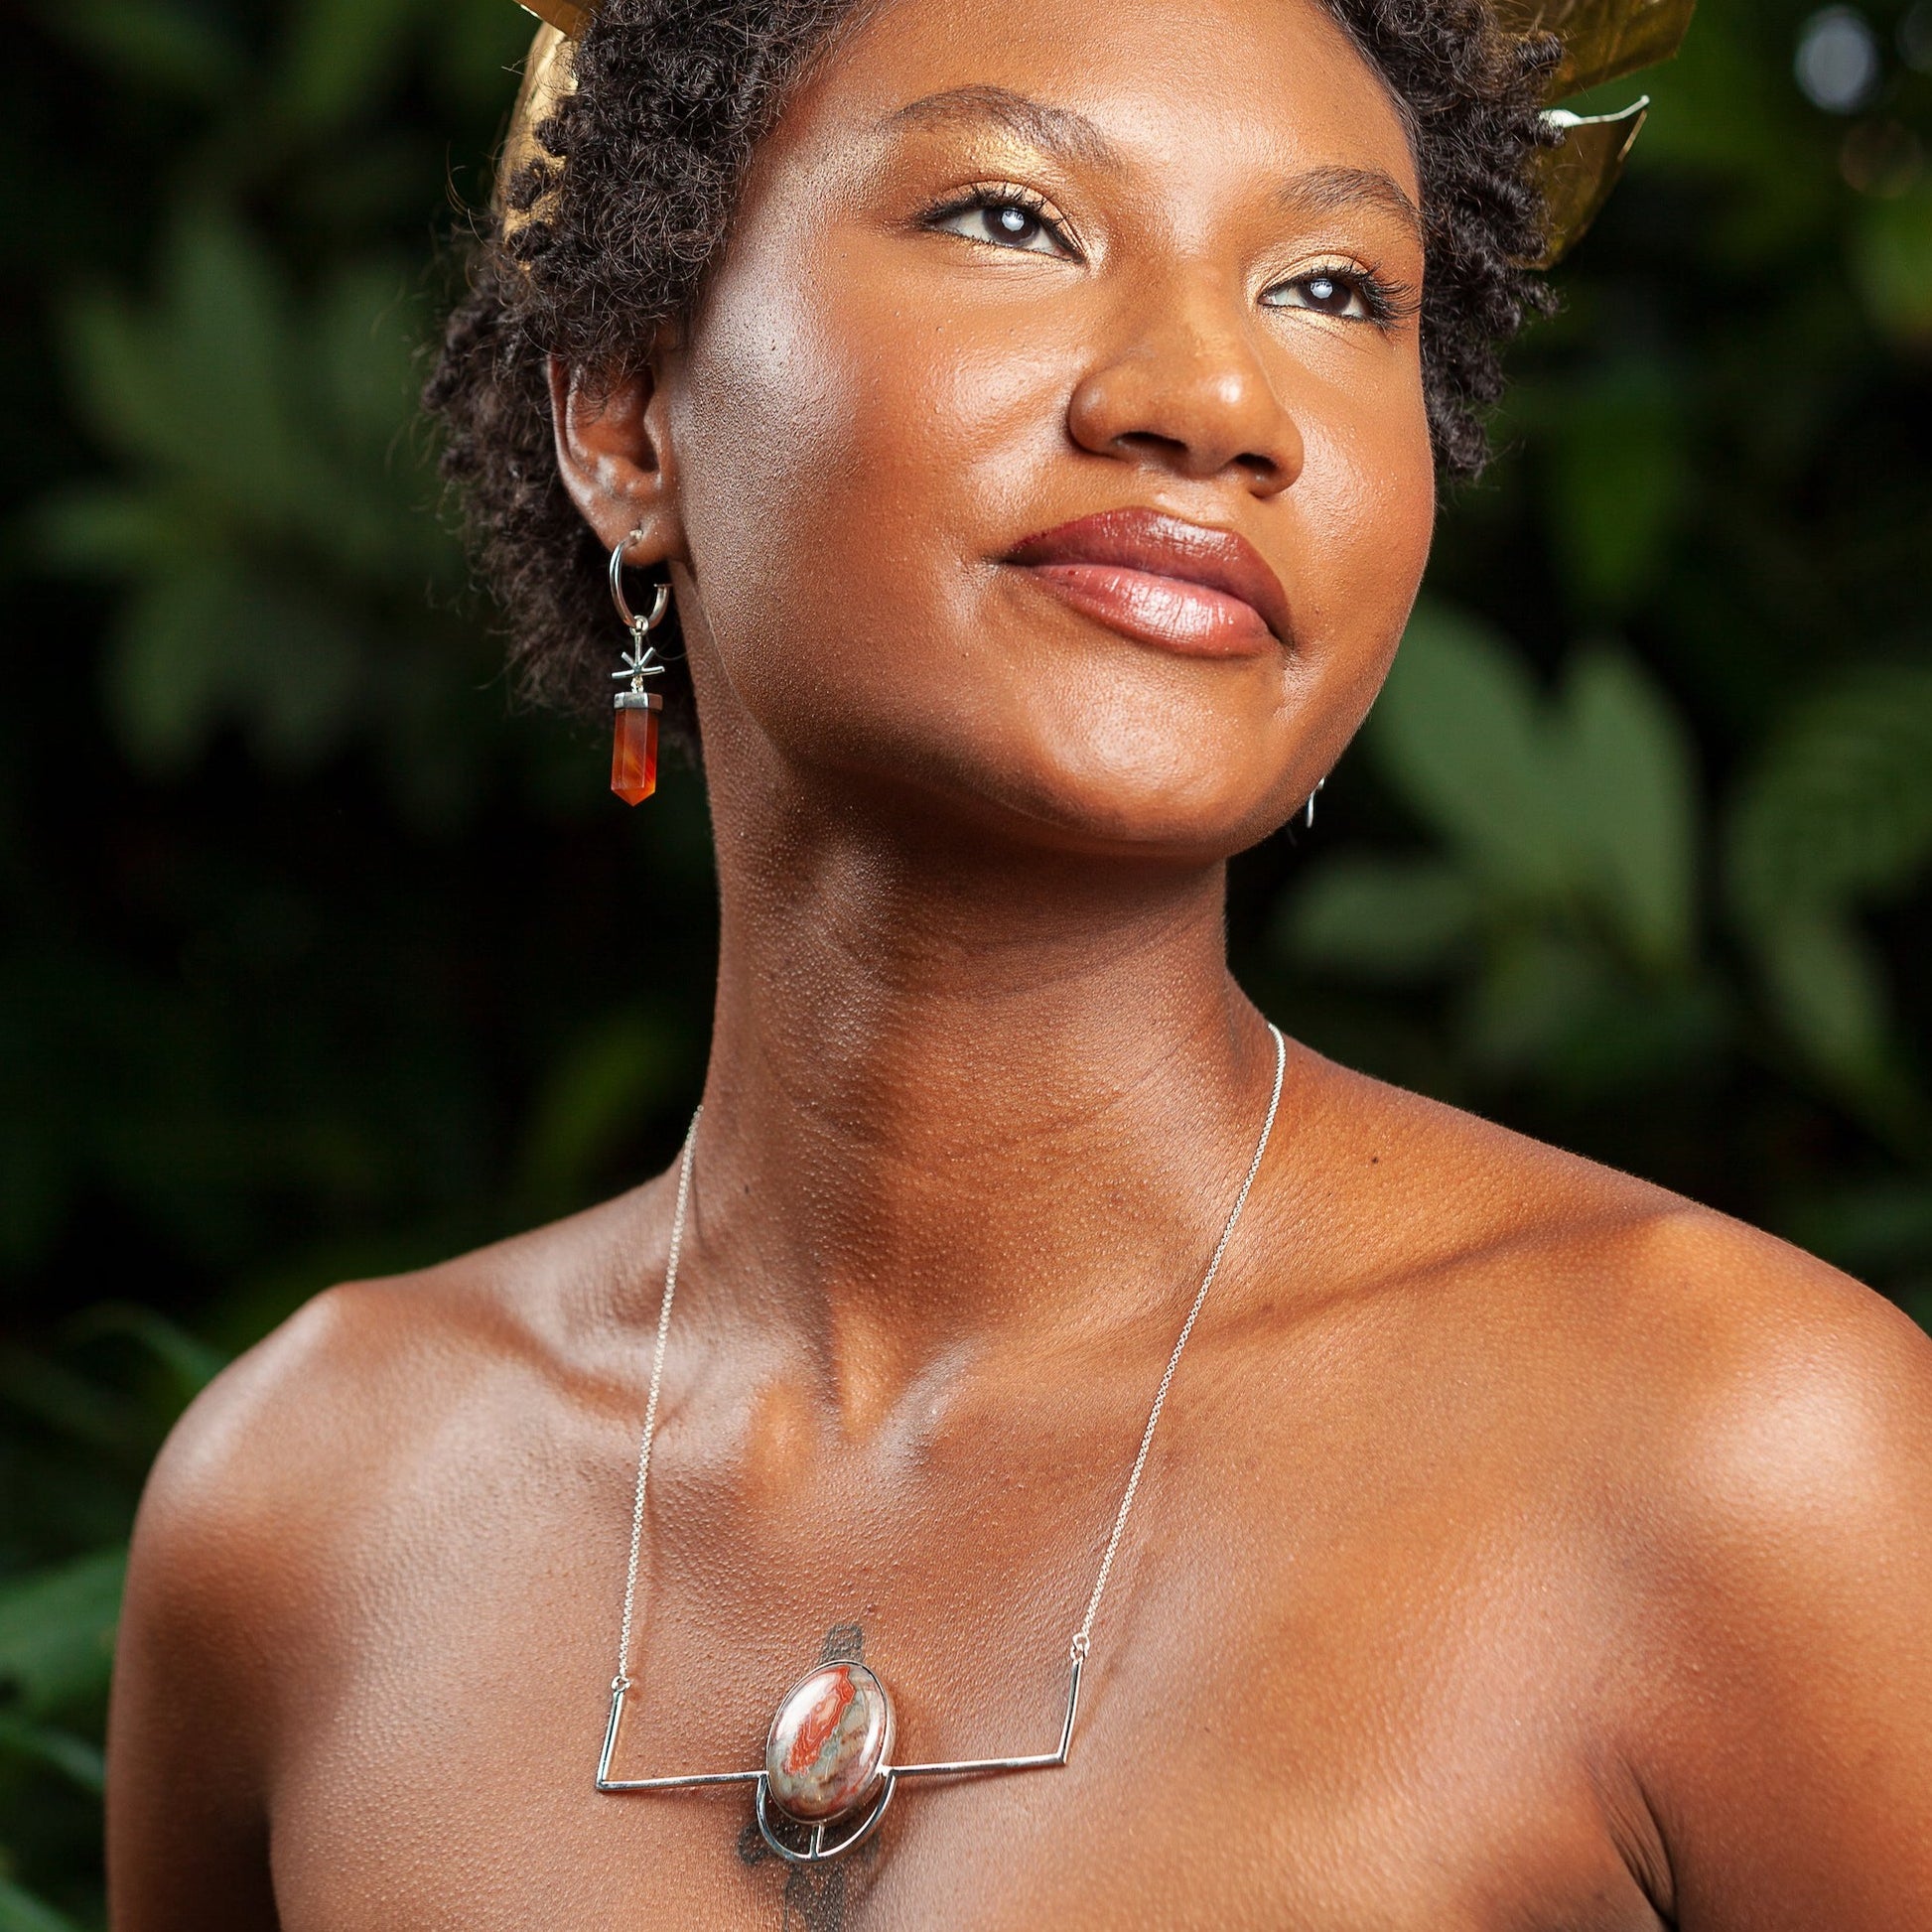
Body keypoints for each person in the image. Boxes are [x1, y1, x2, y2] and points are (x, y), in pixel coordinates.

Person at [105, 0, 1932, 1923]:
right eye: (1012, 219)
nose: (1212, 395)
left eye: (1331, 285)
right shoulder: (304, 1517)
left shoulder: (1753, 1463)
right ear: (626, 402)